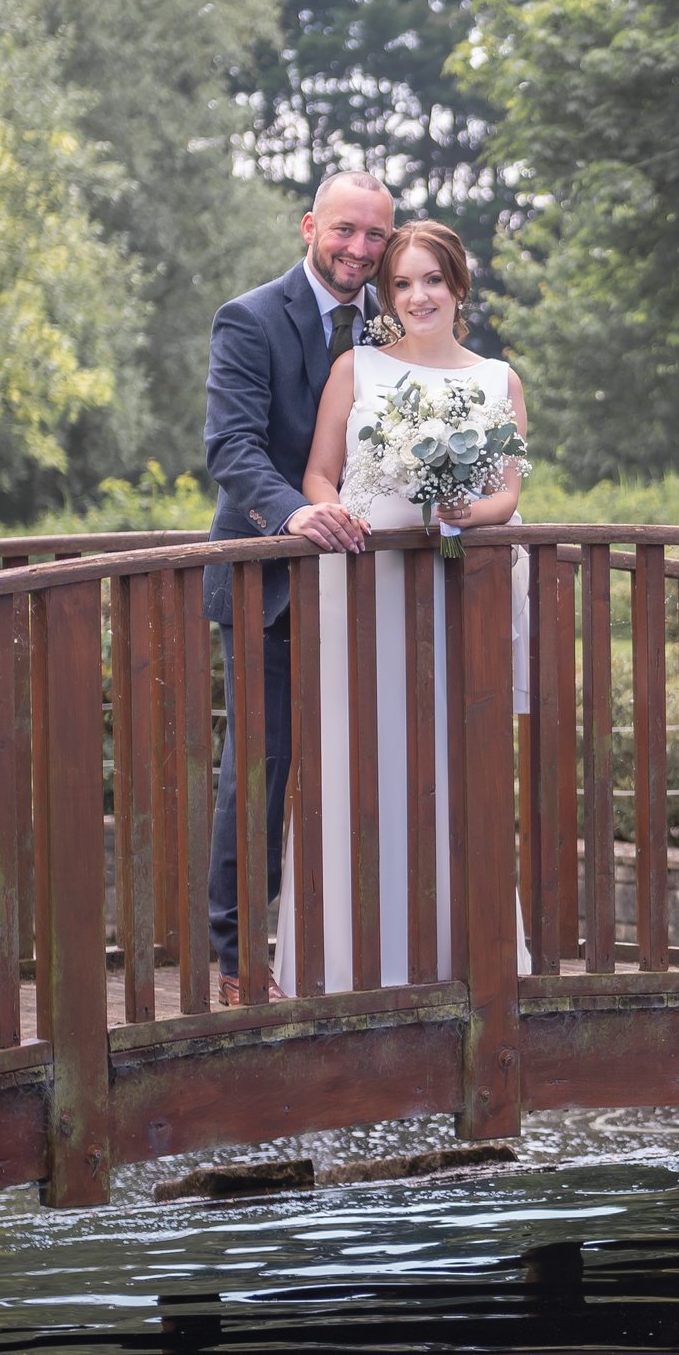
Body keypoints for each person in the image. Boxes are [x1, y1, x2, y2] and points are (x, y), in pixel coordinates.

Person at [278, 219, 530, 992]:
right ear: (387, 296)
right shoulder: (357, 369)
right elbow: (320, 474)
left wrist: (451, 513)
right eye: (402, 283)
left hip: (454, 589)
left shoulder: (499, 380)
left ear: (458, 286)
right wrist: (338, 515)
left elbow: (509, 495)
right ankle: (341, 960)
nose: (419, 296)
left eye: (433, 279)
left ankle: (463, 953)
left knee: (456, 760)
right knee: (352, 760)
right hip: (360, 590)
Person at [200, 171, 388, 1005]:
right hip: (267, 585)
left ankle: (372, 951)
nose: (359, 249)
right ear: (310, 225)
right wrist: (295, 516)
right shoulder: (248, 319)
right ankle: (240, 963)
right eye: (345, 230)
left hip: (379, 586)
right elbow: (232, 449)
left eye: (375, 236)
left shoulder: (399, 318)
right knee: (259, 770)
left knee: (381, 766)